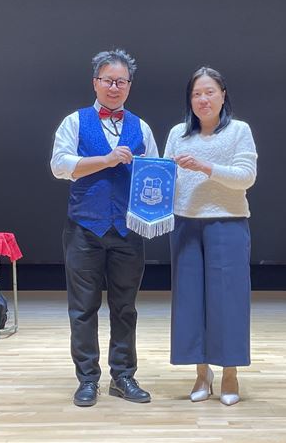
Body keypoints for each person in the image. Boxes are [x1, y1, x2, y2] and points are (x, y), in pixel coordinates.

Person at [50, 49, 158, 407]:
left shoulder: (141, 127)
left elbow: (153, 173)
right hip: (84, 228)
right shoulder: (74, 122)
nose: (114, 87)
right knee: (83, 308)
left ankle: (123, 377)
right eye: (108, 80)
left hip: (128, 230)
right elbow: (60, 166)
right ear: (95, 82)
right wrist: (107, 160)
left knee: (125, 308)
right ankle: (87, 379)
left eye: (121, 81)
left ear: (130, 86)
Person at [163, 66, 257, 406]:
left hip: (227, 222)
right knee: (190, 300)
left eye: (209, 92)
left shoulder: (239, 131)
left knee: (228, 299)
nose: (203, 99)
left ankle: (230, 371)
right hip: (186, 224)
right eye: (196, 94)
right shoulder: (177, 133)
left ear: (223, 95)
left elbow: (246, 176)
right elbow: (164, 177)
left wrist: (205, 167)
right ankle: (202, 372)